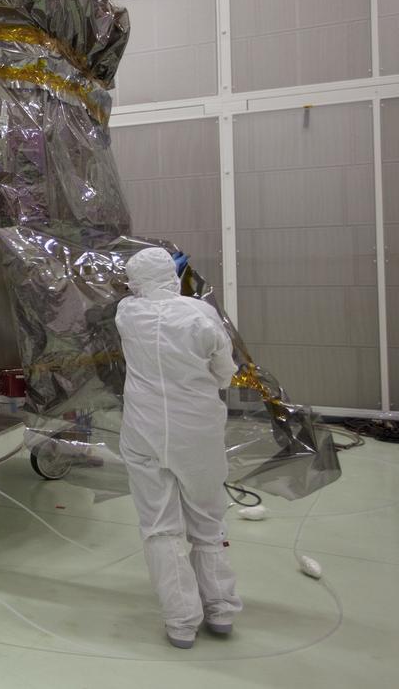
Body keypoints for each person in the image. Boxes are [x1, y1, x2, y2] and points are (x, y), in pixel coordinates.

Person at [115, 247, 242, 649]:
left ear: (135, 282)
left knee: (159, 526)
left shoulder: (126, 313)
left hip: (144, 431)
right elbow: (225, 373)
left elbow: (136, 299)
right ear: (172, 276)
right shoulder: (200, 315)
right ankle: (220, 608)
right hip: (197, 432)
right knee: (206, 520)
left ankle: (180, 623)